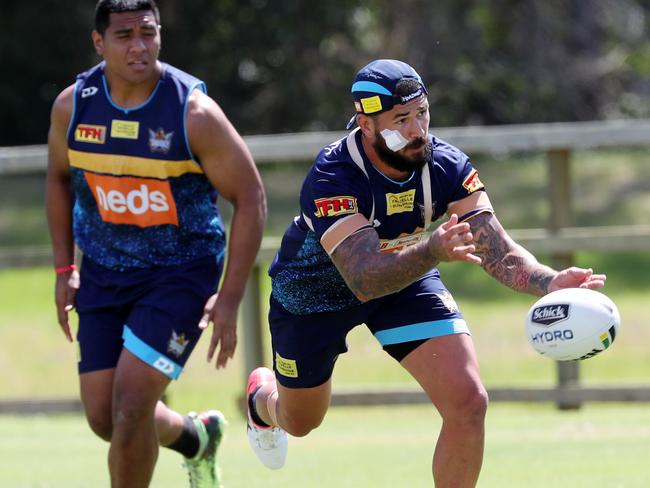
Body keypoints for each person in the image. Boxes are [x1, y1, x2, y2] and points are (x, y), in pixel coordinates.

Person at [244, 59, 606, 486]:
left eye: (422, 113)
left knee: (469, 402)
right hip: (314, 295)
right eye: (401, 119)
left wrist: (549, 281)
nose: (418, 129)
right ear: (366, 123)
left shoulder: (446, 165)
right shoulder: (333, 176)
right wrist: (433, 248)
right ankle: (261, 402)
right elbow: (364, 278)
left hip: (404, 279)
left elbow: (496, 249)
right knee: (301, 420)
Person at [46, 1, 266, 487]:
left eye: (148, 32)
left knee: (129, 409)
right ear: (98, 43)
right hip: (102, 272)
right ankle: (196, 437)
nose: (139, 46)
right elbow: (59, 180)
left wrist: (228, 299)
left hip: (180, 275)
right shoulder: (74, 107)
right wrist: (65, 270)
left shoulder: (194, 112)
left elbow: (250, 196)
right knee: (105, 417)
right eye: (124, 35)